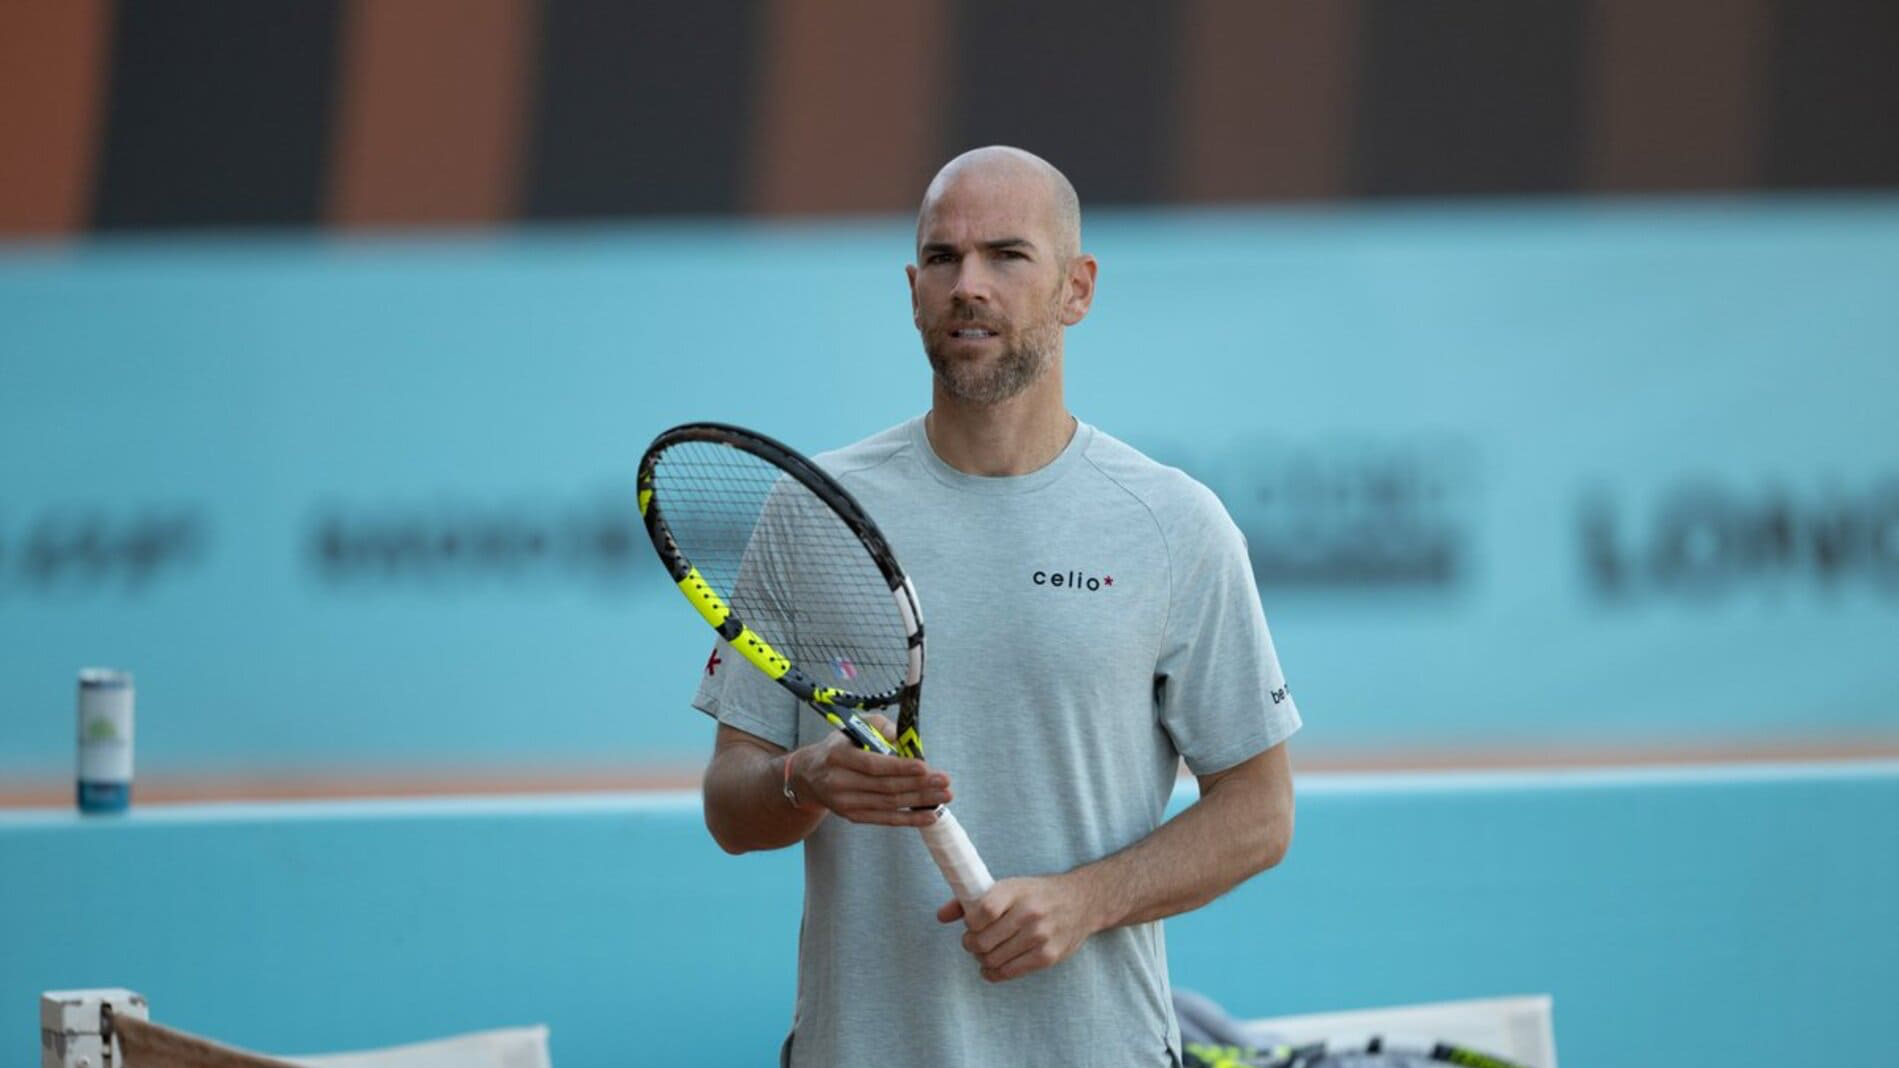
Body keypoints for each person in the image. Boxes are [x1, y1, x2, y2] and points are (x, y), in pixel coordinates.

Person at [694, 145, 1300, 1067]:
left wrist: (1085, 900)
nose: (967, 284)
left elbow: (1259, 812)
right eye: (942, 258)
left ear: (1076, 288)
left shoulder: (1174, 525)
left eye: (1006, 255)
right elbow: (730, 809)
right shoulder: (811, 510)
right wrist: (802, 781)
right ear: (913, 292)